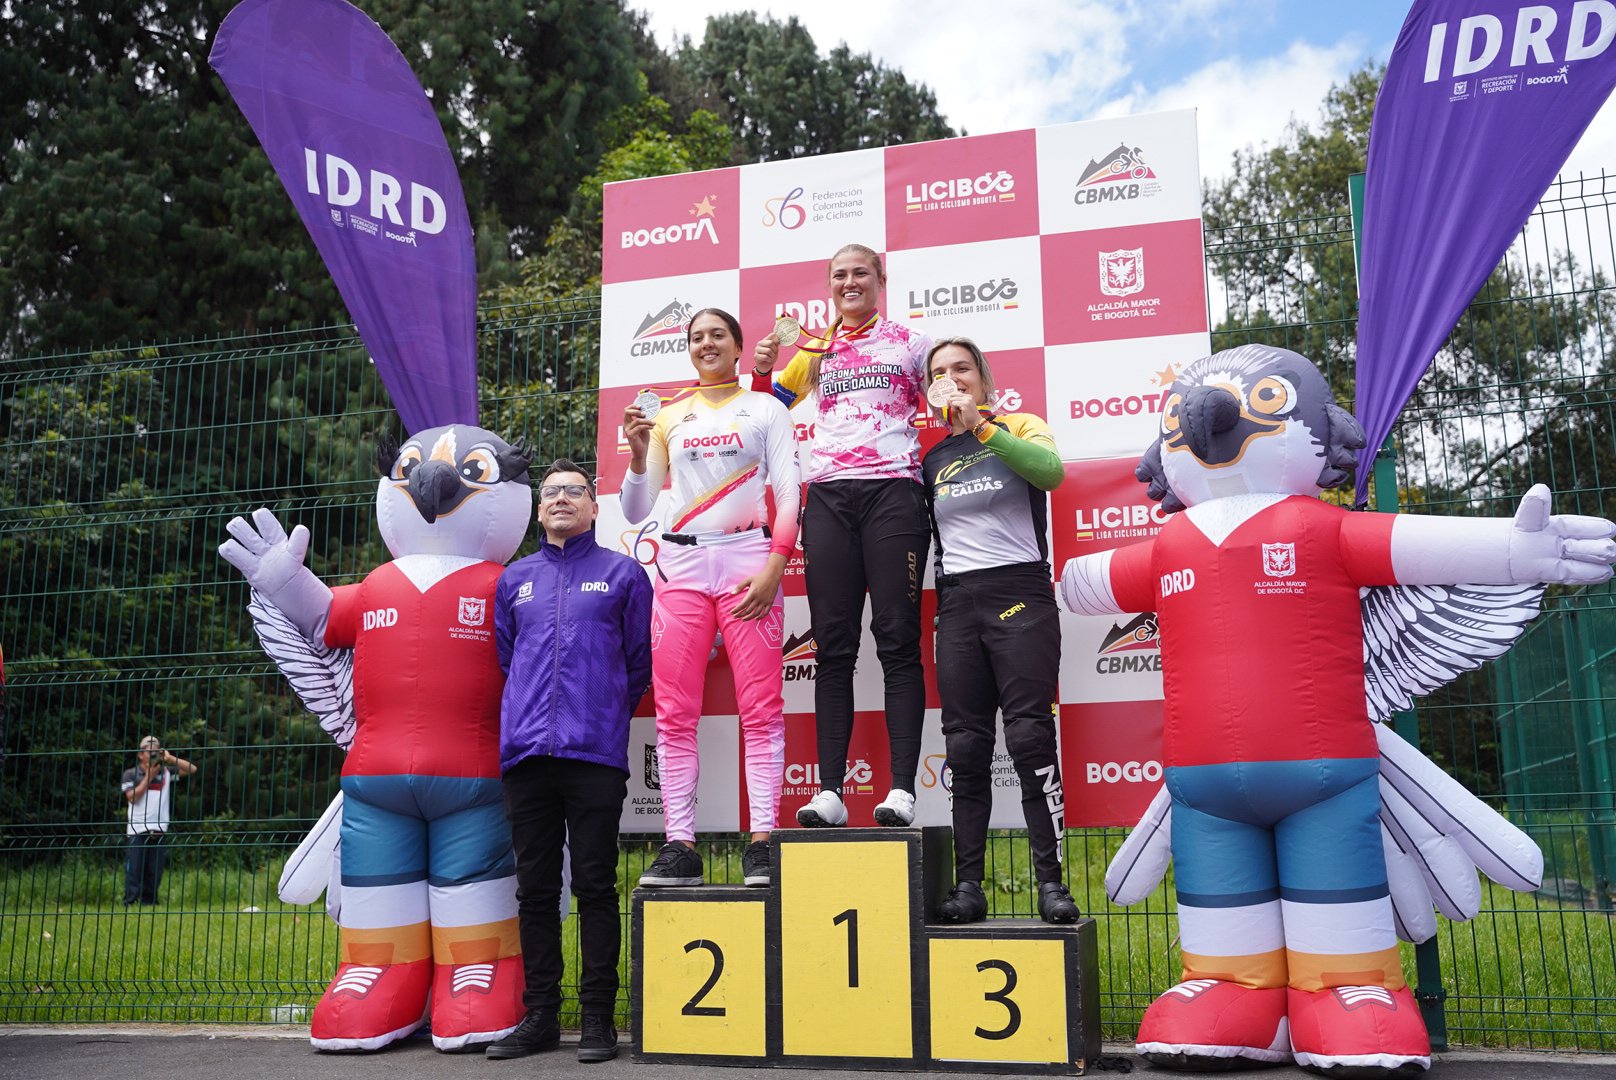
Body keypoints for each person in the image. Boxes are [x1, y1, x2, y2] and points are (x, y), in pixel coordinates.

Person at [750, 243, 932, 828]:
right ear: (828, 286)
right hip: (827, 496)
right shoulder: (814, 349)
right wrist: (761, 367)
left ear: (880, 279)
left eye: (859, 273)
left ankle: (902, 789)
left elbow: (955, 396)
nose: (849, 282)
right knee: (833, 645)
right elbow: (765, 412)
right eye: (839, 276)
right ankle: (830, 790)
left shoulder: (911, 342)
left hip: (893, 494)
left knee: (898, 638)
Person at [621, 308, 800, 887]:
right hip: (680, 564)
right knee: (674, 714)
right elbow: (635, 510)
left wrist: (776, 566)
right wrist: (635, 452)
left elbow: (790, 495)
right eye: (696, 337)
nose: (706, 344)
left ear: (737, 345)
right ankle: (679, 846)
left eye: (717, 334)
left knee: (762, 707)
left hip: (750, 560)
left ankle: (764, 842)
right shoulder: (668, 416)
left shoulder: (766, 407)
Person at [489, 459, 653, 1064]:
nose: (561, 499)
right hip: (527, 756)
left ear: (594, 507)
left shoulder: (625, 575)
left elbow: (638, 663)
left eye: (574, 492)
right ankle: (538, 1018)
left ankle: (597, 1019)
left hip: (595, 754)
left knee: (594, 887)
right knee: (534, 892)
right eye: (551, 492)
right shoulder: (514, 581)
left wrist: (601, 710)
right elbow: (511, 661)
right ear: (538, 511)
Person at [920, 338, 1079, 925]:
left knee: (1031, 737)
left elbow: (1052, 473)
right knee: (964, 745)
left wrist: (984, 429)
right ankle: (969, 887)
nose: (951, 378)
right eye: (939, 373)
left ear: (983, 379)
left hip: (1020, 595)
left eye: (961, 368)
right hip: (959, 601)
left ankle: (1052, 884)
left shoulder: (1021, 426)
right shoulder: (932, 458)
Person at [120, 735, 197, 905]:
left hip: (160, 829)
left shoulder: (167, 773)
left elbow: (191, 769)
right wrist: (148, 777)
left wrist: (170, 759)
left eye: (157, 752)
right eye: (150, 752)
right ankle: (130, 902)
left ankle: (150, 903)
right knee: (134, 869)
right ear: (140, 754)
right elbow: (132, 797)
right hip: (137, 829)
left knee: (154, 871)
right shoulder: (131, 774)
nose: (154, 755)